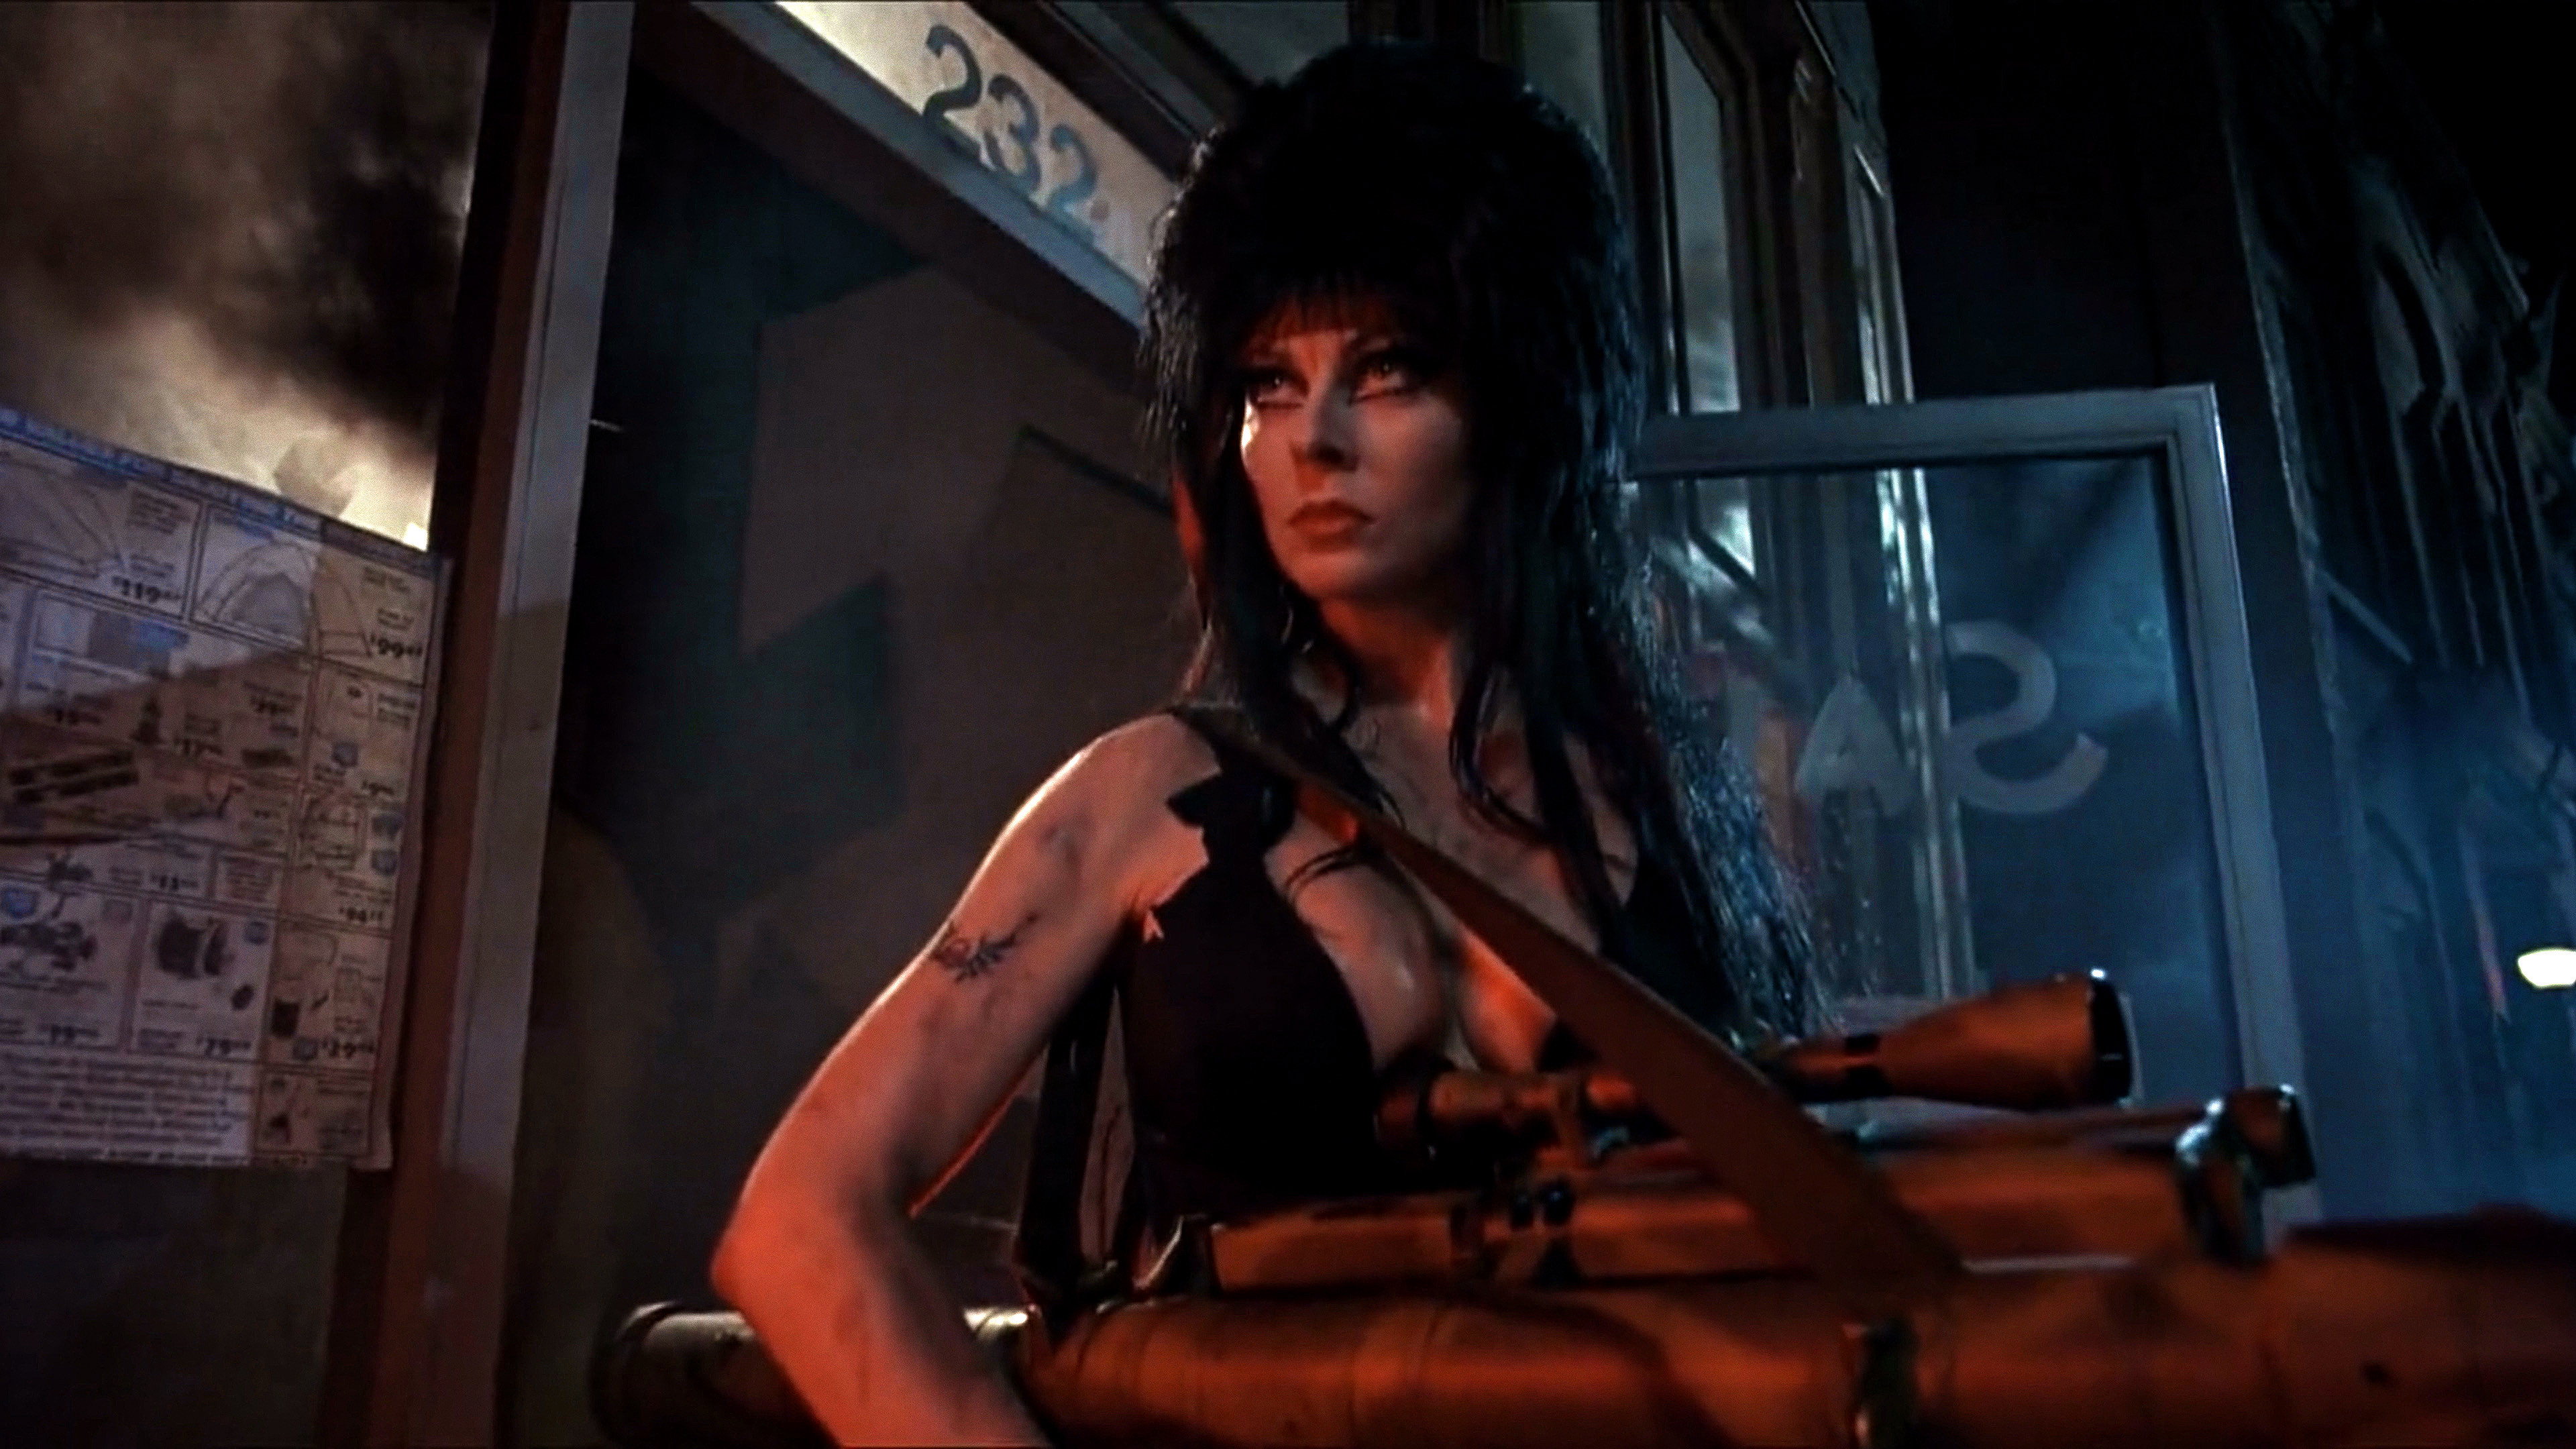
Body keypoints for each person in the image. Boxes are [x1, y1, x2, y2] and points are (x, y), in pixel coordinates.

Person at [710, 41, 1819, 1446]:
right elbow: (801, 1220)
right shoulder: (1151, 794)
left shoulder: (1665, 809)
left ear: (1524, 398)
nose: (1315, 440)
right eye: (1268, 384)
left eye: (1388, 368)